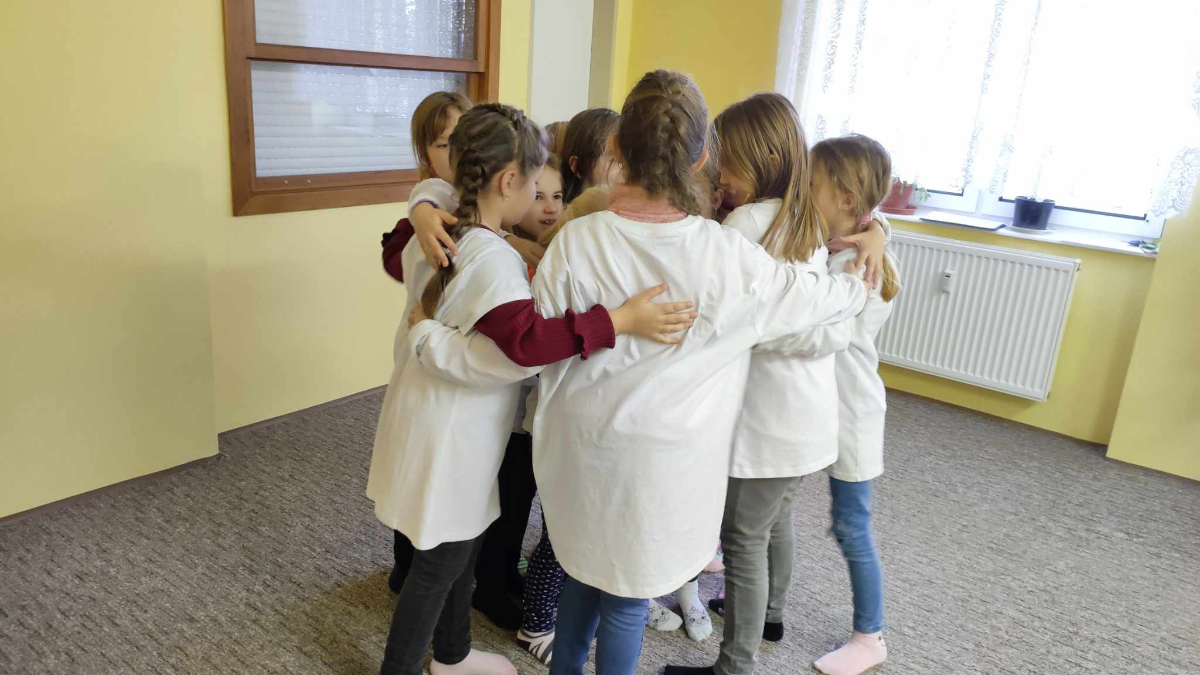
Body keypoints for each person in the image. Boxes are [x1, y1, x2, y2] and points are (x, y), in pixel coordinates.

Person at [531, 70, 869, 675]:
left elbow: (540, 339)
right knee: (627, 598)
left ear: (617, 148)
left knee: (581, 574)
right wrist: (865, 264)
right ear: (702, 159)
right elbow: (812, 297)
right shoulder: (726, 255)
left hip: (582, 448)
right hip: (665, 465)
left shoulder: (575, 242)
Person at [804, 134, 900, 675]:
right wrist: (877, 228)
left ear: (845, 198)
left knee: (850, 525)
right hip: (819, 407)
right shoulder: (851, 246)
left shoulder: (857, 268)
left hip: (851, 414)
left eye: (812, 184)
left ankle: (870, 637)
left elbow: (818, 328)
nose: (803, 192)